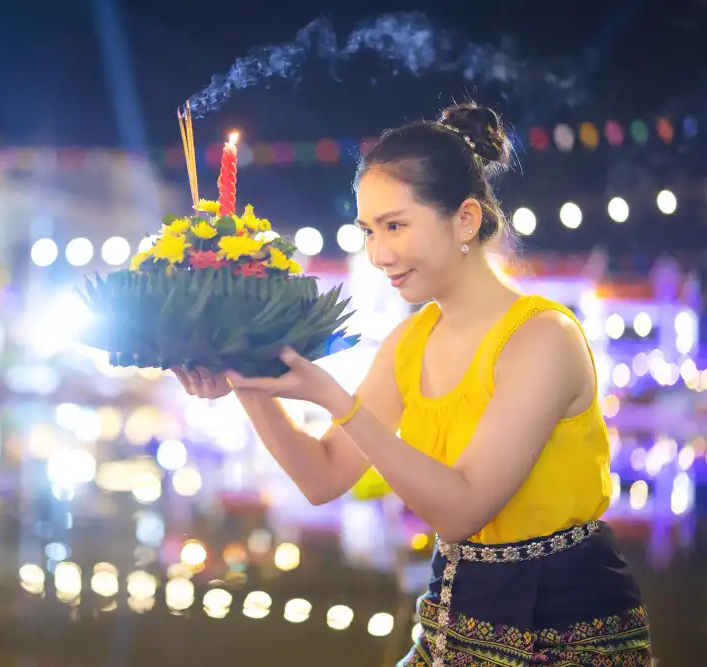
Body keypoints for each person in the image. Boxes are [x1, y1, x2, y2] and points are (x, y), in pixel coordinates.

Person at [172, 103, 652, 666]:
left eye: (395, 226)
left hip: (562, 633)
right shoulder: (411, 341)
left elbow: (462, 510)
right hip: (454, 619)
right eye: (368, 231)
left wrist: (333, 397)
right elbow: (323, 476)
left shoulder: (541, 339)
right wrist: (244, 377)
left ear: (466, 219)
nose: (378, 254)